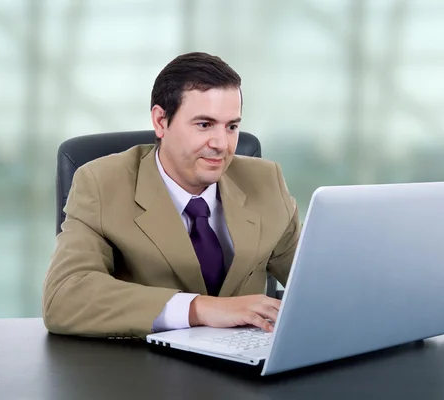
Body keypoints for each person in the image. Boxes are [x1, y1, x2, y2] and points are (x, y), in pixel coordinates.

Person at [42, 52, 300, 339]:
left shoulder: (265, 182)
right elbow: (65, 296)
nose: (221, 144)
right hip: (144, 371)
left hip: (247, 370)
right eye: (204, 124)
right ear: (161, 121)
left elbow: (317, 284)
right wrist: (200, 308)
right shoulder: (101, 184)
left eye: (232, 127)